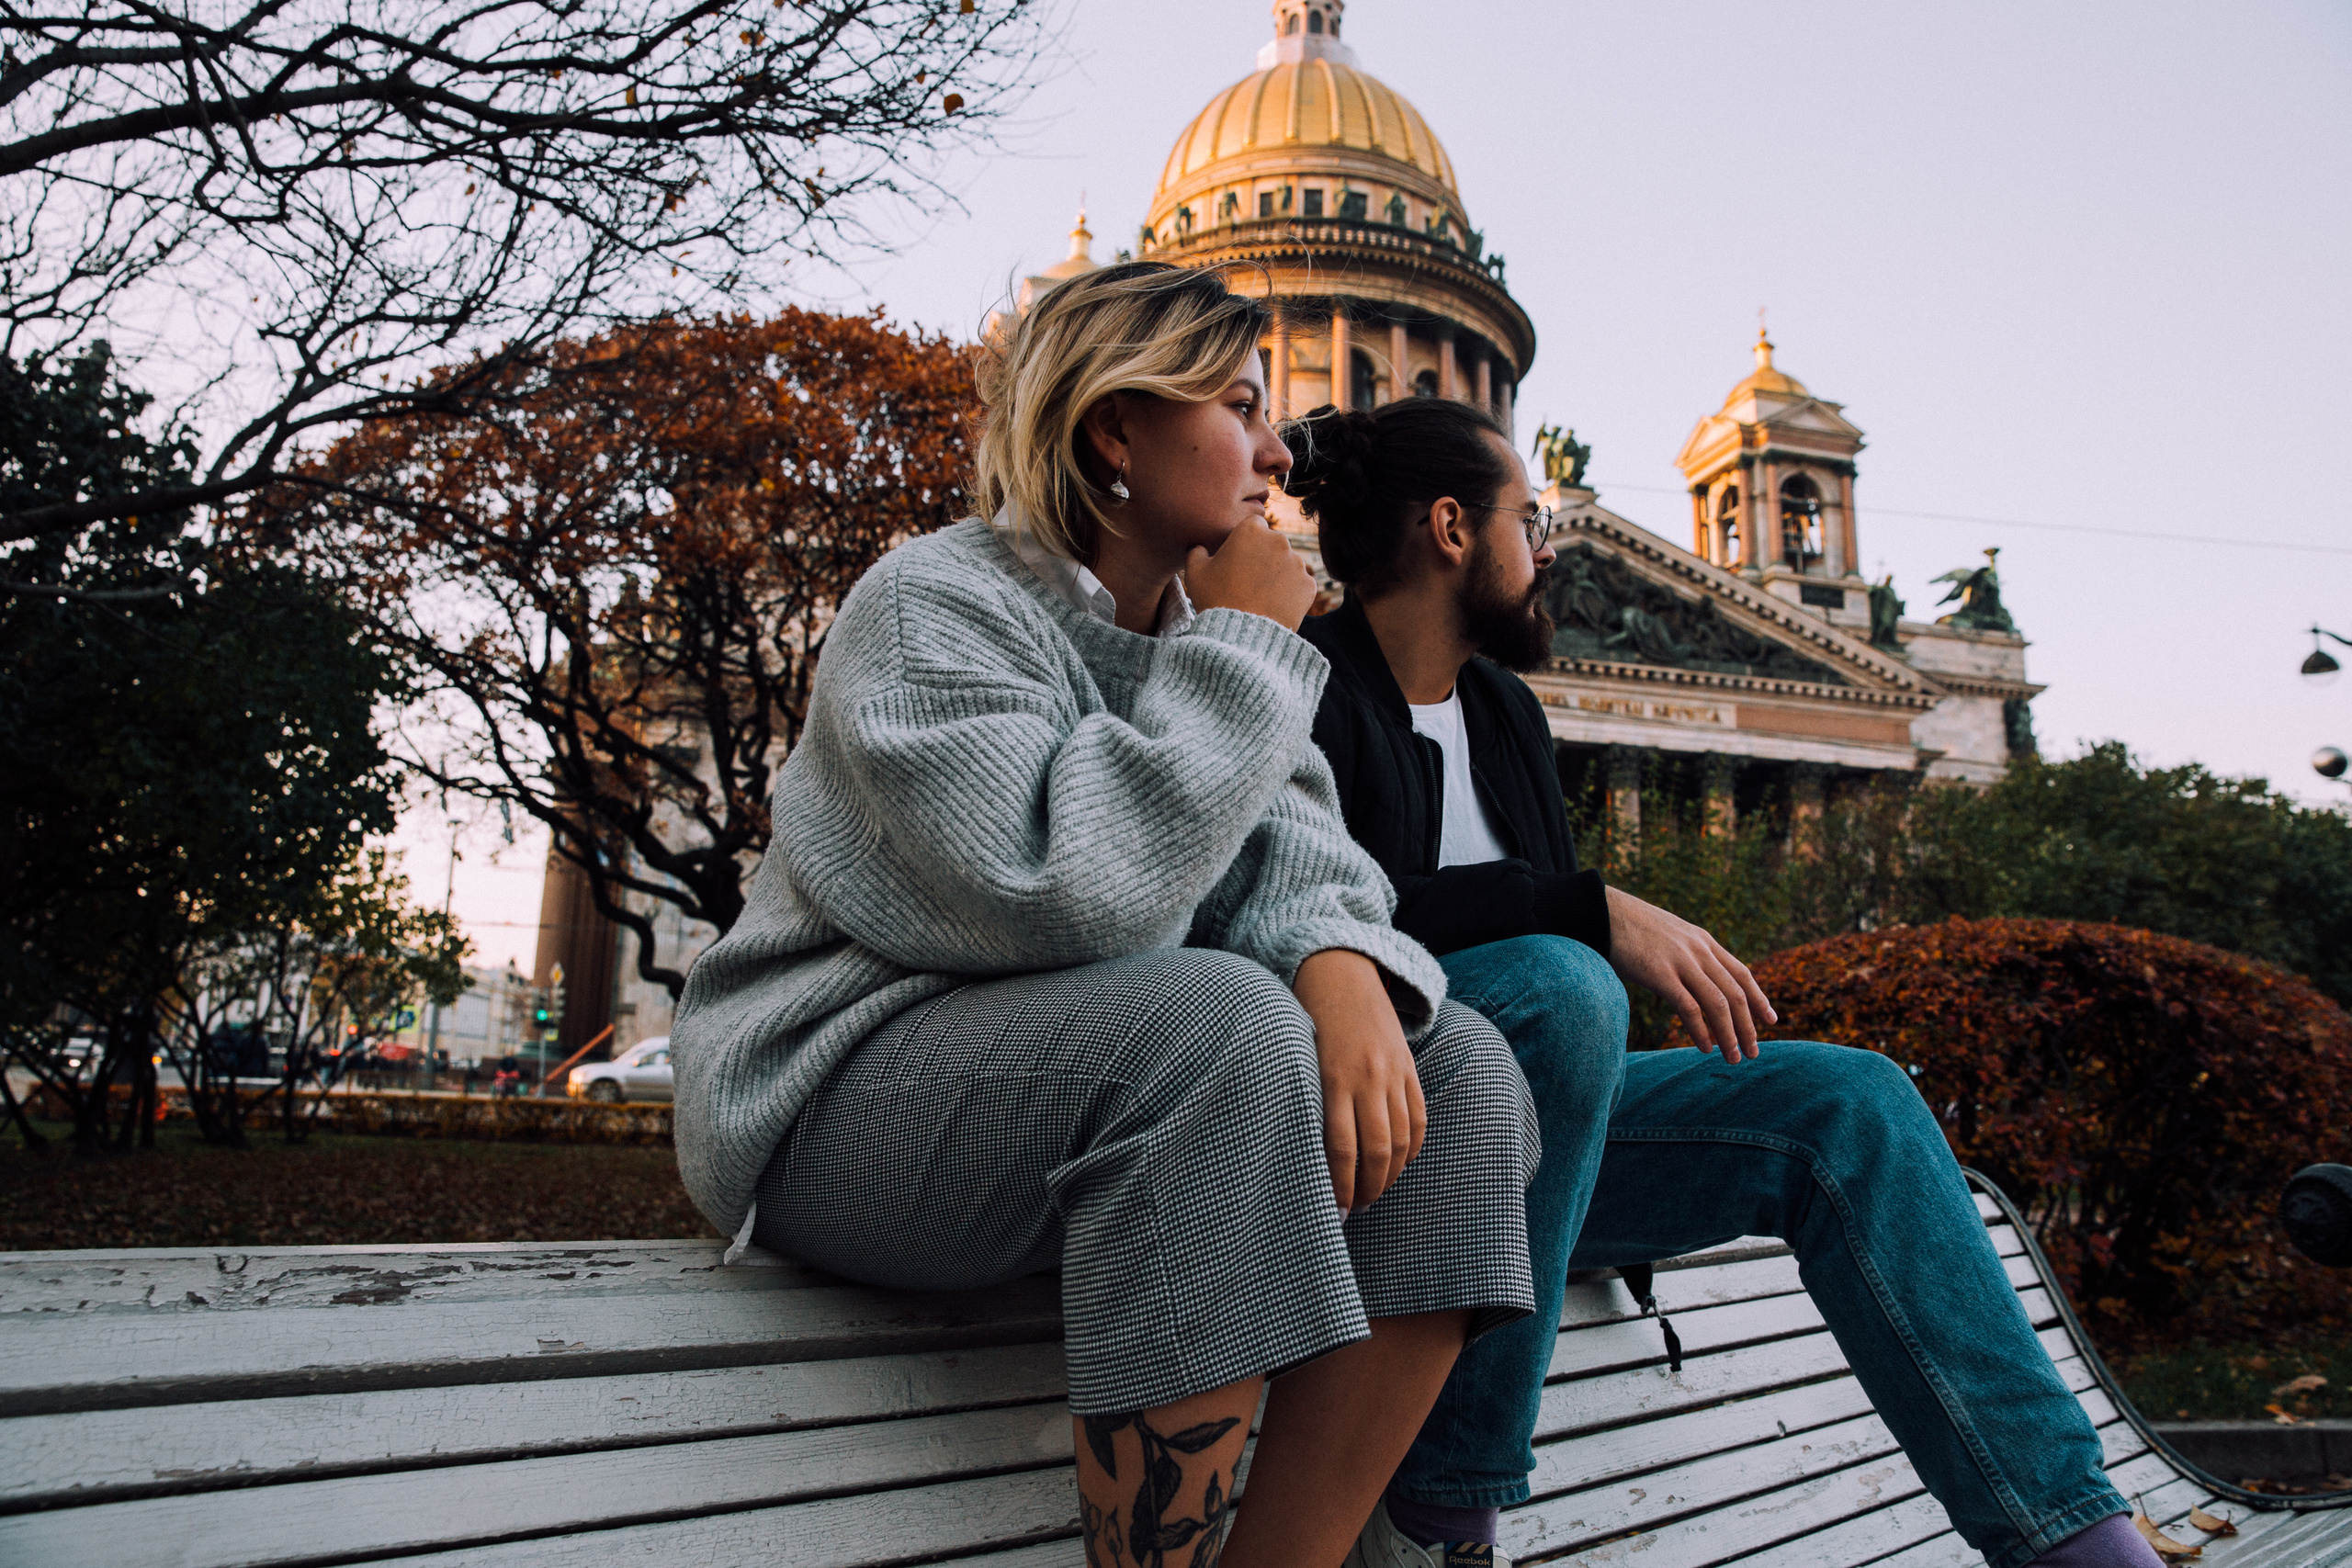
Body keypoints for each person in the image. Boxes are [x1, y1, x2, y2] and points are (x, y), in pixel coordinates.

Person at [670, 264, 1543, 1568]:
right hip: (834, 1088)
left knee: (1464, 1071)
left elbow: (1300, 856)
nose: (1279, 450)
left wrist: (1344, 958)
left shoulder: (1207, 635)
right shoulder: (935, 603)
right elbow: (1064, 890)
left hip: (1076, 1087)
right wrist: (1248, 655)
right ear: (1112, 431)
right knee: (1223, 1021)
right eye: (1242, 403)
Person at [1282, 398, 2162, 1568]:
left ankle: (2076, 1543)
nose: (1550, 550)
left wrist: (1573, 922)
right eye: (1531, 522)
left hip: (1534, 1154)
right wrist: (1580, 907)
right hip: (1369, 1141)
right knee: (1560, 982)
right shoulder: (1297, 679)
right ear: (1451, 528)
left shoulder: (1503, 709)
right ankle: (1442, 1515)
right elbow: (1315, 907)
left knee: (1847, 1102)